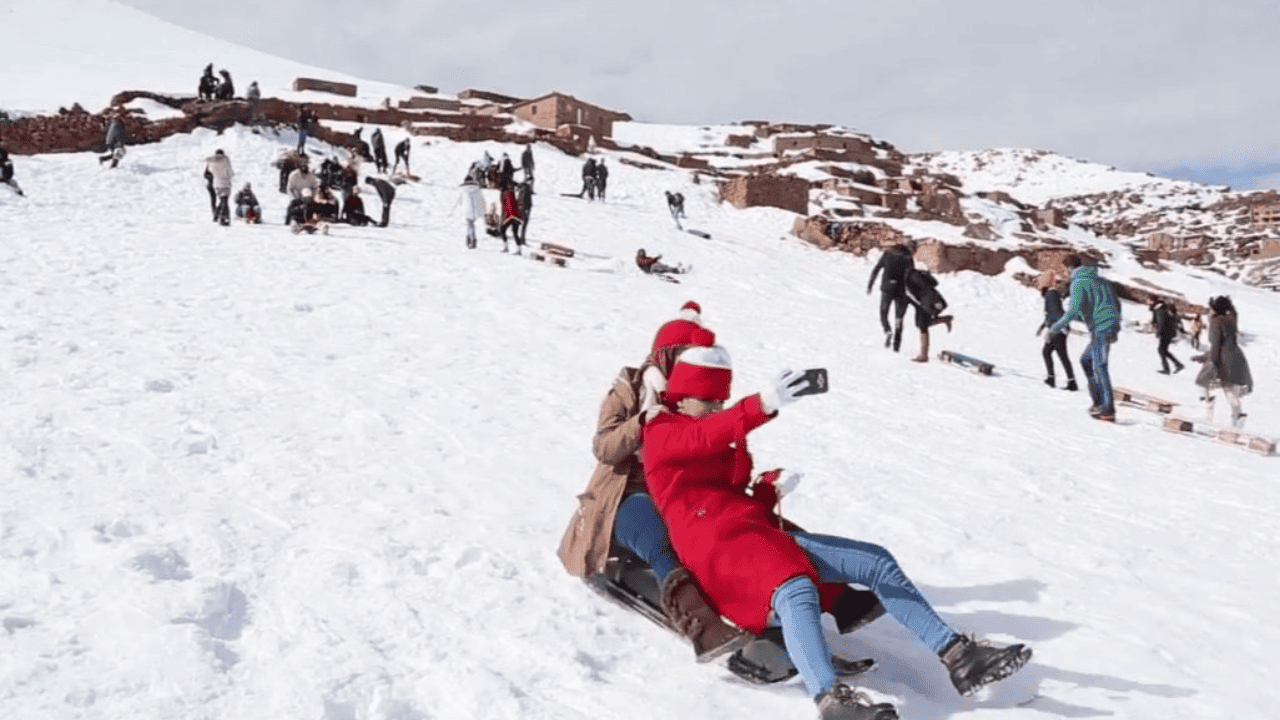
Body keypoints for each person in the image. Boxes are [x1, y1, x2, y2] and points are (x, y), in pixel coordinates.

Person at [642, 345, 1032, 719]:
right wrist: (760, 404)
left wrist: (766, 489)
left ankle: (959, 656)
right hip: (715, 549)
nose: (716, 408)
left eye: (720, 401)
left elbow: (728, 492)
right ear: (682, 396)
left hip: (753, 532)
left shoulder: (710, 427)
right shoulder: (662, 431)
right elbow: (702, 442)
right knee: (795, 589)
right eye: (708, 400)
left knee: (874, 561)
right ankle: (831, 701)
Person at [1048, 254, 1122, 422]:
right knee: (1086, 361)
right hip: (1106, 326)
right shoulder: (1101, 281)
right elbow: (1116, 304)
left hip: (1101, 328)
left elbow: (1073, 311)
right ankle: (1098, 403)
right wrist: (1114, 327)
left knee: (1099, 366)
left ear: (1069, 268)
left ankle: (1107, 409)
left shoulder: (1078, 282)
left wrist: (1055, 329)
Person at [1193, 296, 1253, 428]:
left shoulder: (1216, 322)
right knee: (1229, 389)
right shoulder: (1231, 319)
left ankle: (1207, 412)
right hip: (1236, 357)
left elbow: (1216, 345)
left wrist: (1211, 361)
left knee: (1201, 382)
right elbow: (1234, 314)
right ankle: (1238, 418)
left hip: (1222, 358)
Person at [866, 241, 916, 351]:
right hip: (902, 291)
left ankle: (887, 330)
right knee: (899, 318)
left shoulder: (888, 254)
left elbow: (877, 269)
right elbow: (912, 276)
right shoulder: (908, 257)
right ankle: (896, 346)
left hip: (887, 288)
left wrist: (870, 285)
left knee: (883, 313)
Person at [1034, 274, 1078, 390]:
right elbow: (1051, 313)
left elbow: (1056, 313)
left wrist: (1055, 329)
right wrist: (1042, 326)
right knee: (1053, 353)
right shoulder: (1051, 294)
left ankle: (1061, 381)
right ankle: (1060, 380)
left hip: (1057, 330)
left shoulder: (1051, 295)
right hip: (1057, 329)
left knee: (1056, 354)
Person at [903, 267, 953, 363]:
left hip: (926, 303)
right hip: (922, 303)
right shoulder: (907, 276)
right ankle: (945, 319)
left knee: (922, 326)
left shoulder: (910, 276)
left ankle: (924, 356)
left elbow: (926, 289)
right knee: (921, 325)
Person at [1151, 300, 1185, 375]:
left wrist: (1159, 332)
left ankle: (1170, 368)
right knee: (1163, 350)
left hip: (1165, 333)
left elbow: (1161, 323)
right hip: (1169, 333)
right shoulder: (1166, 310)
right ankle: (1177, 365)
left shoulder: (1160, 311)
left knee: (1161, 350)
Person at [203, 149, 233, 226]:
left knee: (216, 201)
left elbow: (206, 173)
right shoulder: (225, 161)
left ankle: (217, 215)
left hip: (214, 184)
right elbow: (230, 172)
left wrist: (212, 178)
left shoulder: (211, 162)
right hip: (223, 183)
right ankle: (221, 217)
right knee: (223, 200)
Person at [459, 172, 485, 249]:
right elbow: (481, 199)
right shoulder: (477, 188)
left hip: (467, 209)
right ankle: (472, 238)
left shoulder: (463, 189)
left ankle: (471, 239)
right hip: (475, 209)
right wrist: (482, 208)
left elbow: (460, 200)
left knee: (469, 224)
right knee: (471, 224)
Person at [498, 183, 523, 253]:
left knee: (502, 230)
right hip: (514, 216)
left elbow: (510, 206)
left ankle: (506, 247)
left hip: (511, 217)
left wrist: (509, 217)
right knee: (515, 233)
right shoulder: (509, 193)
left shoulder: (507, 194)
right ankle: (518, 249)